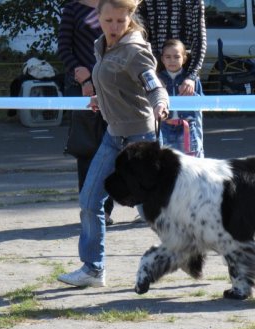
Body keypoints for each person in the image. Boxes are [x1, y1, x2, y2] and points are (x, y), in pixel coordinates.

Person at [57, 0, 170, 288]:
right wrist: (101, 98)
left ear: (129, 18)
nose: (114, 27)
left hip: (140, 139)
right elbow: (110, 80)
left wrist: (161, 104)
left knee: (149, 208)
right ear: (99, 18)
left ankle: (191, 246)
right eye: (109, 21)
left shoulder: (135, 51)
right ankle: (93, 269)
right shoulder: (101, 45)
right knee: (89, 201)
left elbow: (153, 85)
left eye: (121, 21)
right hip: (112, 135)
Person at [57, 0, 115, 226]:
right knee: (87, 151)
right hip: (80, 86)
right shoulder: (72, 8)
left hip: (112, 84)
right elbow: (63, 48)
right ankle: (88, 208)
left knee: (112, 147)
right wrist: (81, 75)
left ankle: (107, 209)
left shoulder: (113, 7)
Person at [136, 0, 207, 97]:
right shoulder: (146, 2)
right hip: (156, 71)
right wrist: (152, 74)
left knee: (190, 109)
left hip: (185, 74)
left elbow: (200, 40)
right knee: (156, 109)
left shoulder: (194, 2)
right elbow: (141, 39)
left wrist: (191, 77)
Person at [158, 39, 204, 157]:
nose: (172, 60)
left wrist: (199, 139)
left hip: (187, 128)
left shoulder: (192, 81)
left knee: (192, 164)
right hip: (164, 127)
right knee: (165, 163)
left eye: (176, 57)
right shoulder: (157, 79)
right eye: (168, 57)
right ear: (162, 59)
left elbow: (199, 109)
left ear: (184, 58)